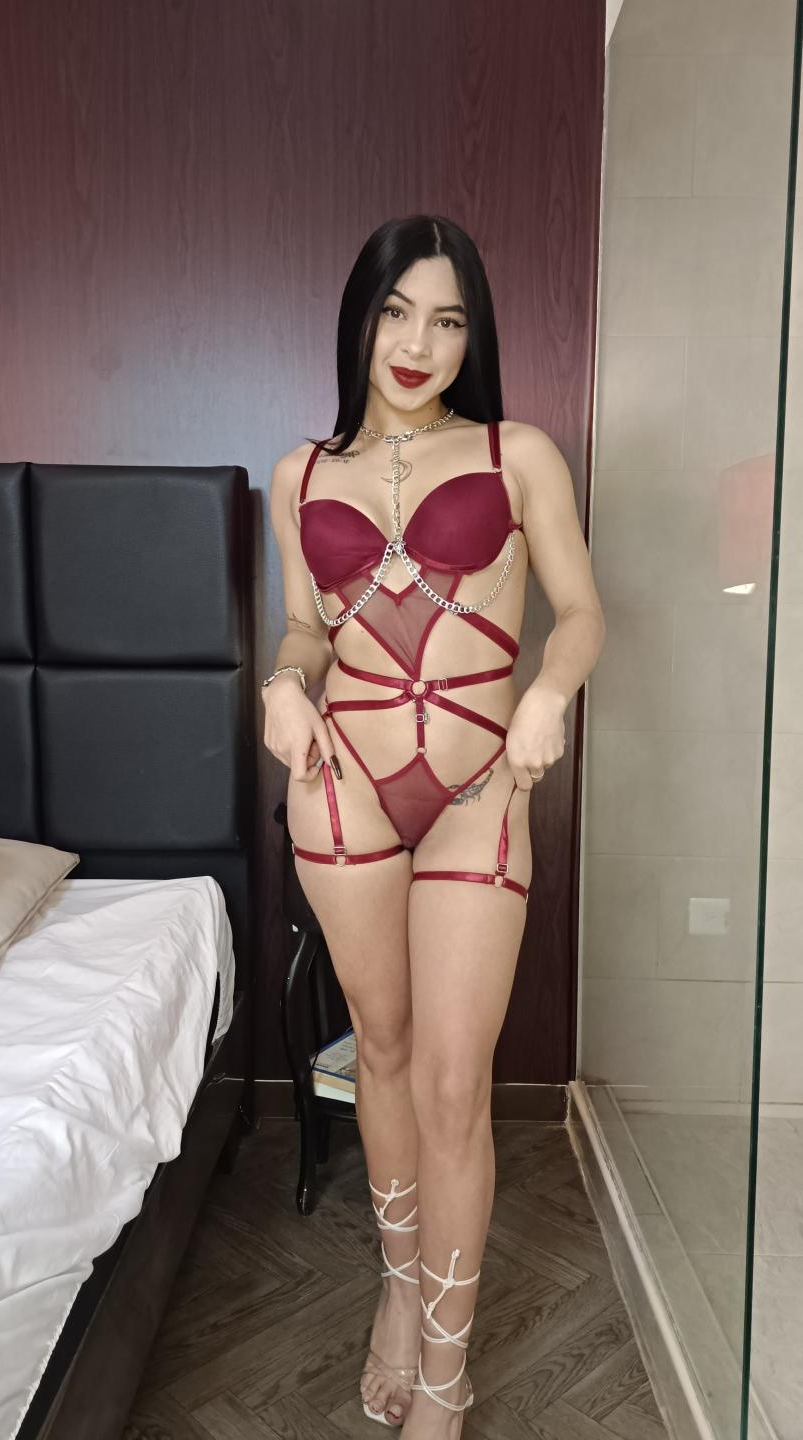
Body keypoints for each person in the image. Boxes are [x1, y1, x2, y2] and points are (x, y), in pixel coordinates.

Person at [262, 214, 606, 1438]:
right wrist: (282, 683)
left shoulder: (518, 453)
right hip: (342, 778)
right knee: (385, 1050)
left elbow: (580, 611)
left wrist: (550, 695)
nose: (418, 343)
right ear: (359, 319)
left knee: (457, 1085)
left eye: (448, 319)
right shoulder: (300, 475)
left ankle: (447, 1380)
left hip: (478, 791)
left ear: (475, 335)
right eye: (397, 312)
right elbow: (308, 627)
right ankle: (401, 1295)